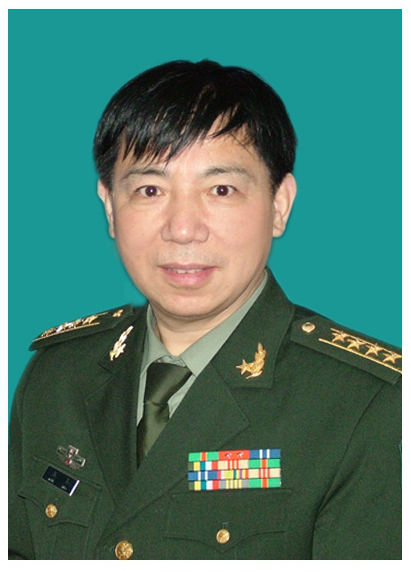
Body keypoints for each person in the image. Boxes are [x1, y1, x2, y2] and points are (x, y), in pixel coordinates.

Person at [8, 60, 401, 560]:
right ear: (109, 206)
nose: (183, 229)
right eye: (150, 190)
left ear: (279, 204)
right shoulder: (58, 376)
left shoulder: (368, 405)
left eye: (221, 190)